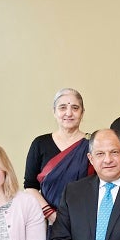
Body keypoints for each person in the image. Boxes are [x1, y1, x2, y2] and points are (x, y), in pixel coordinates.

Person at [24, 88, 92, 226]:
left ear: (82, 112)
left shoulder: (92, 144)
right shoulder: (40, 144)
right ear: (54, 112)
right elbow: (30, 187)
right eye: (62, 108)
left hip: (84, 221)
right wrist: (52, 216)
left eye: (75, 108)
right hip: (46, 221)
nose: (68, 113)